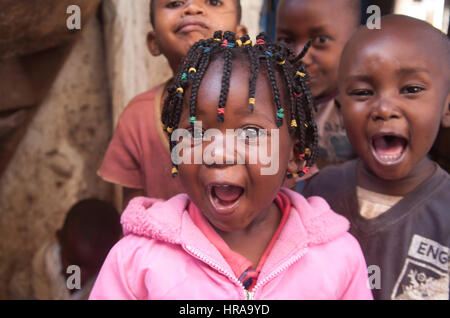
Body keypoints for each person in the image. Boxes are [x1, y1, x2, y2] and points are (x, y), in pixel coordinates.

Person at [89, 32, 372, 300]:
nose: (219, 153)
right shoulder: (136, 259)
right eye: (197, 132)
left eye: (249, 133)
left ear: (295, 155)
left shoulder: (337, 258)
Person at [303, 15, 450, 300]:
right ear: (342, 110)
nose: (384, 108)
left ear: (447, 106)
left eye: (411, 90)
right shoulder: (319, 192)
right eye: (362, 92)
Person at [98, 0, 247, 208]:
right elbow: (134, 218)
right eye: (175, 3)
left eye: (213, 2)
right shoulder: (138, 117)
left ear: (240, 36)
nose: (192, 9)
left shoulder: (263, 110)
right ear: (154, 42)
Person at [275, 0, 361, 171]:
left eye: (321, 40)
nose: (301, 56)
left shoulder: (362, 107)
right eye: (286, 40)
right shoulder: (269, 100)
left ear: (355, 41)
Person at [9, 199, 121, 300]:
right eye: (73, 262)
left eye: (92, 267)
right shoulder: (44, 263)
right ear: (60, 239)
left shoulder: (109, 278)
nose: (79, 274)